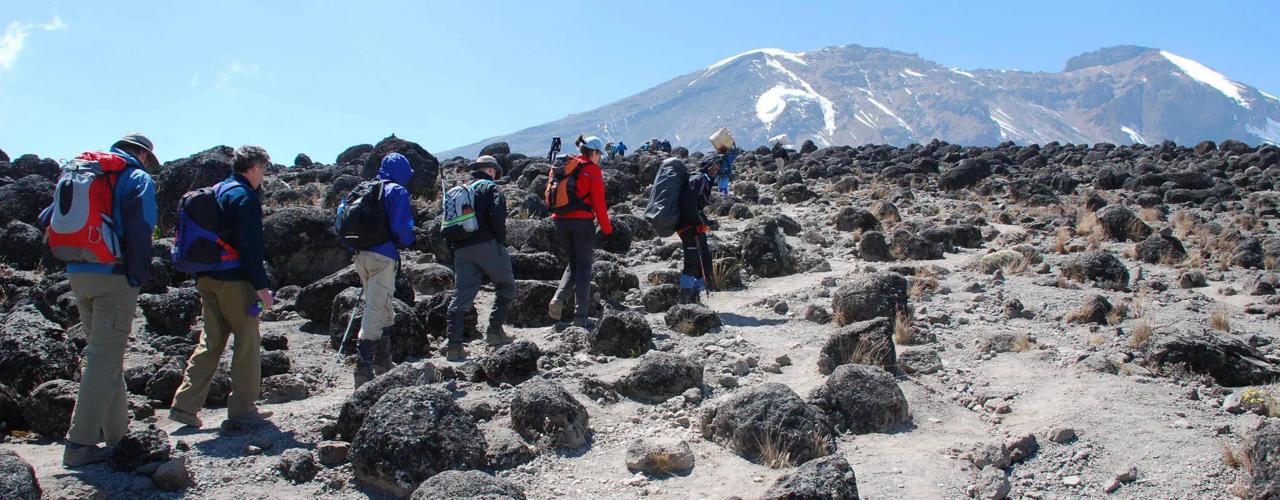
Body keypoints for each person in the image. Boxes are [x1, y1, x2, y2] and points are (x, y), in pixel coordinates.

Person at [39, 133, 158, 467]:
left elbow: (45, 219)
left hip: (78, 272)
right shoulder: (136, 177)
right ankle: (80, 443)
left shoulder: (82, 174)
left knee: (106, 354)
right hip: (114, 276)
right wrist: (137, 275)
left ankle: (117, 434)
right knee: (103, 359)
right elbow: (141, 229)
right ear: (143, 155)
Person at [169, 145, 275, 429]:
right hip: (234, 281)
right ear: (253, 168)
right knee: (247, 340)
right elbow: (250, 247)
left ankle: (185, 405)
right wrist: (262, 287)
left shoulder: (217, 190)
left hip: (206, 277)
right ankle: (243, 407)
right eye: (263, 169)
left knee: (211, 341)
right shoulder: (244, 197)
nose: (263, 176)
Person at [342, 153, 416, 386]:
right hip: (383, 257)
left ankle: (384, 364)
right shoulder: (396, 191)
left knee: (382, 304)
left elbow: (341, 218)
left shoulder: (362, 189)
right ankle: (363, 371)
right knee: (375, 308)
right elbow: (401, 227)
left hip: (360, 255)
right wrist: (410, 239)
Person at [445, 155, 515, 361]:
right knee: (506, 286)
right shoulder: (490, 188)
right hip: (487, 245)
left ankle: (453, 346)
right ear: (492, 170)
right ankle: (494, 333)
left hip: (460, 249)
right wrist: (500, 241)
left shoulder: (460, 191)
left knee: (462, 295)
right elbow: (498, 216)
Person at [548, 135, 612, 327]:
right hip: (582, 223)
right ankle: (580, 317)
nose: (600, 157)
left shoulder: (563, 167)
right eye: (599, 153)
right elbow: (599, 204)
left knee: (573, 263)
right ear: (593, 152)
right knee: (584, 268)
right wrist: (607, 229)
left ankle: (558, 299)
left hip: (559, 222)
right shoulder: (592, 171)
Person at [677, 154, 721, 304]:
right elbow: (688, 204)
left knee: (703, 258)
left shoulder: (704, 180)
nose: (717, 170)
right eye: (715, 167)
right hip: (688, 226)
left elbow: (695, 206)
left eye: (718, 167)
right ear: (708, 166)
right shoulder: (699, 179)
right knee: (692, 260)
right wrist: (697, 222)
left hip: (693, 225)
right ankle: (685, 300)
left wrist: (703, 222)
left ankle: (694, 296)